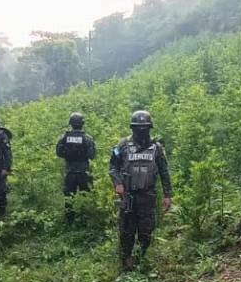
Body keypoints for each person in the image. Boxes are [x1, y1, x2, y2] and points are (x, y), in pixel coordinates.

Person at [109, 109, 172, 271]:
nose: (141, 131)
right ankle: (125, 264)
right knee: (126, 232)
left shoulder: (157, 148)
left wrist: (167, 195)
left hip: (148, 196)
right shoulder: (122, 145)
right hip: (128, 197)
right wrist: (118, 183)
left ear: (150, 127)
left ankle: (144, 260)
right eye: (138, 128)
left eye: (145, 128)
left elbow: (164, 172)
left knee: (146, 231)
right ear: (133, 128)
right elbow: (113, 167)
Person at [56, 112, 97, 216]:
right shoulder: (88, 138)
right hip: (84, 171)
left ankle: (69, 221)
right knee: (86, 196)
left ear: (71, 123)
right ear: (82, 123)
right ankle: (84, 219)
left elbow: (59, 153)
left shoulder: (64, 137)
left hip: (70, 170)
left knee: (69, 197)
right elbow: (92, 155)